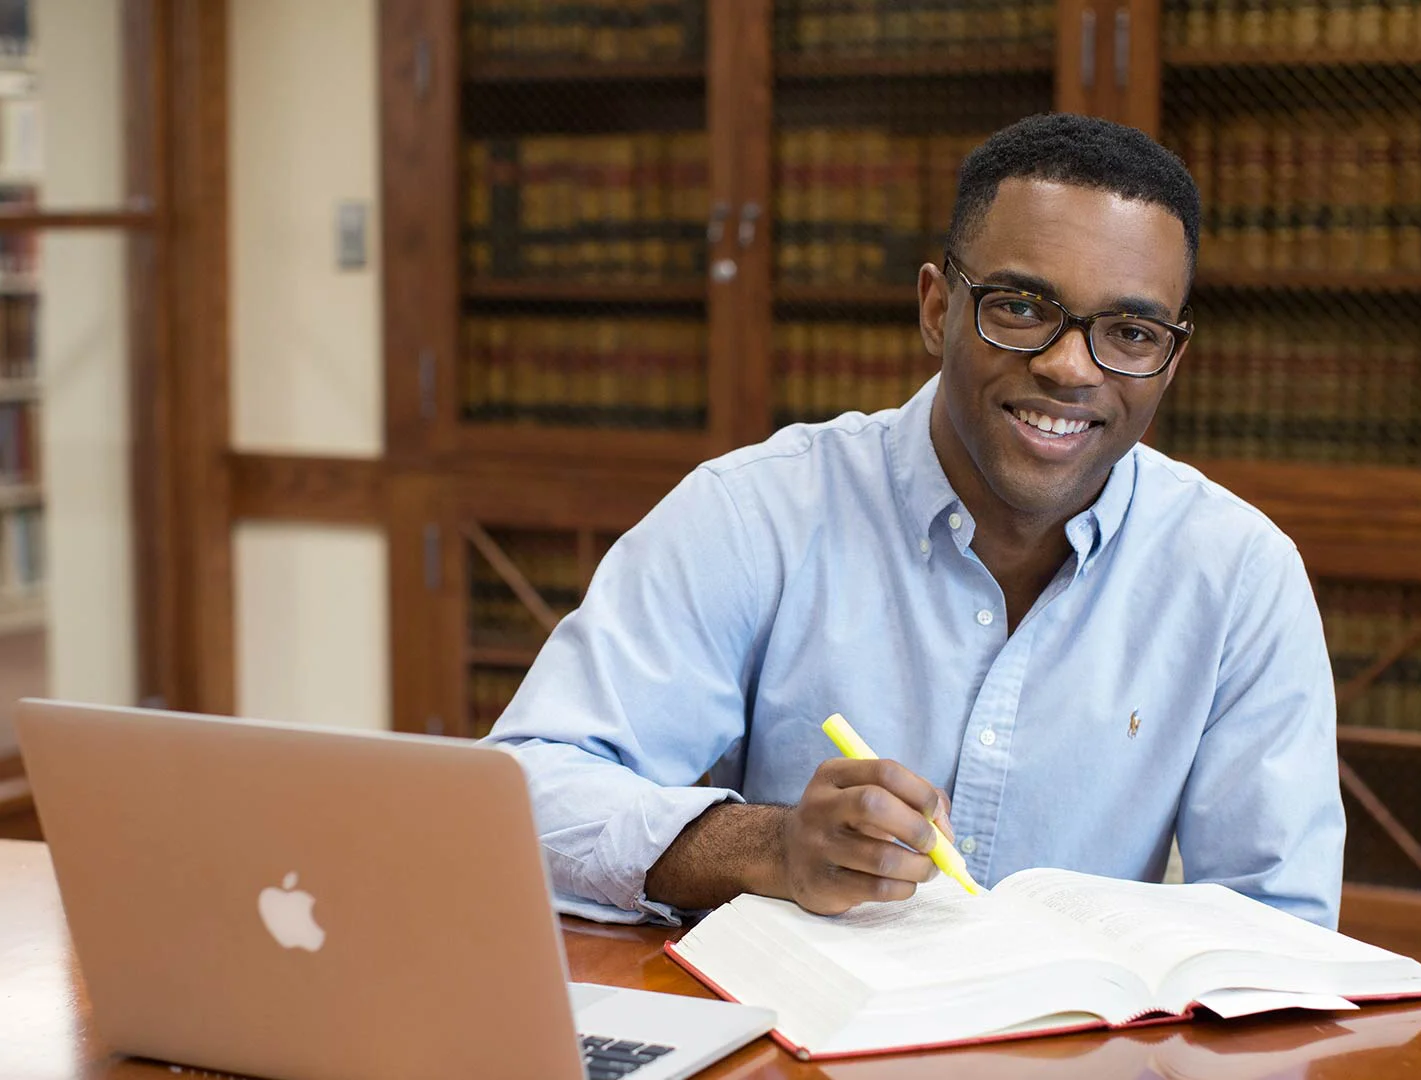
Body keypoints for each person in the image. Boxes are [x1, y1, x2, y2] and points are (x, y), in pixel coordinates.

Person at [487, 113, 1345, 930]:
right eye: (1019, 307)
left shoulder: (1239, 575)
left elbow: (1282, 927)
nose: (1069, 367)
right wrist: (769, 847)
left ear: (1171, 360)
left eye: (1129, 331)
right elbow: (521, 795)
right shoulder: (757, 512)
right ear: (938, 310)